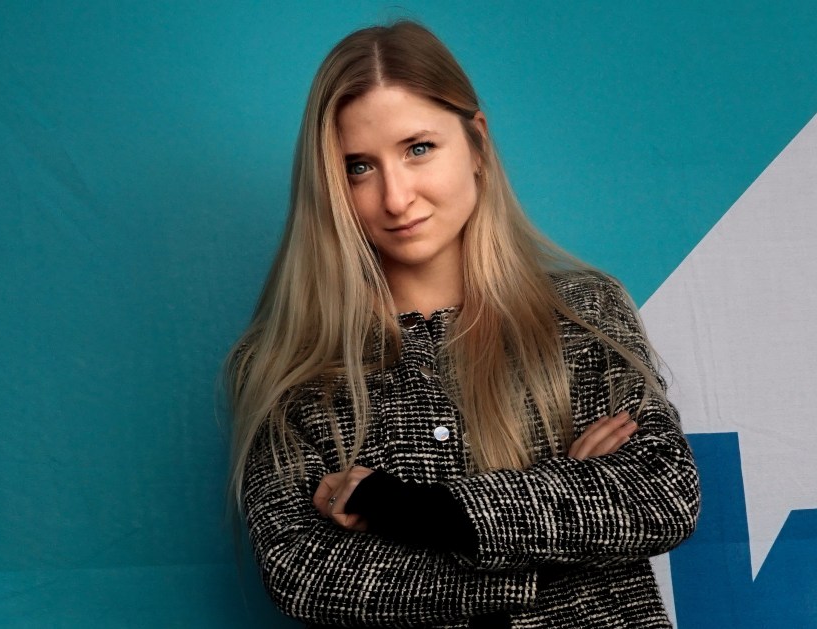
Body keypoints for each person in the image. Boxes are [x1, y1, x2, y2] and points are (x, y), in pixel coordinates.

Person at [225, 20, 700, 628]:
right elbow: (305, 575)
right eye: (359, 167)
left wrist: (411, 510)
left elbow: (661, 495)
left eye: (418, 148)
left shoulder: (585, 312)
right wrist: (564, 523)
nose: (396, 197)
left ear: (477, 143)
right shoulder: (284, 365)